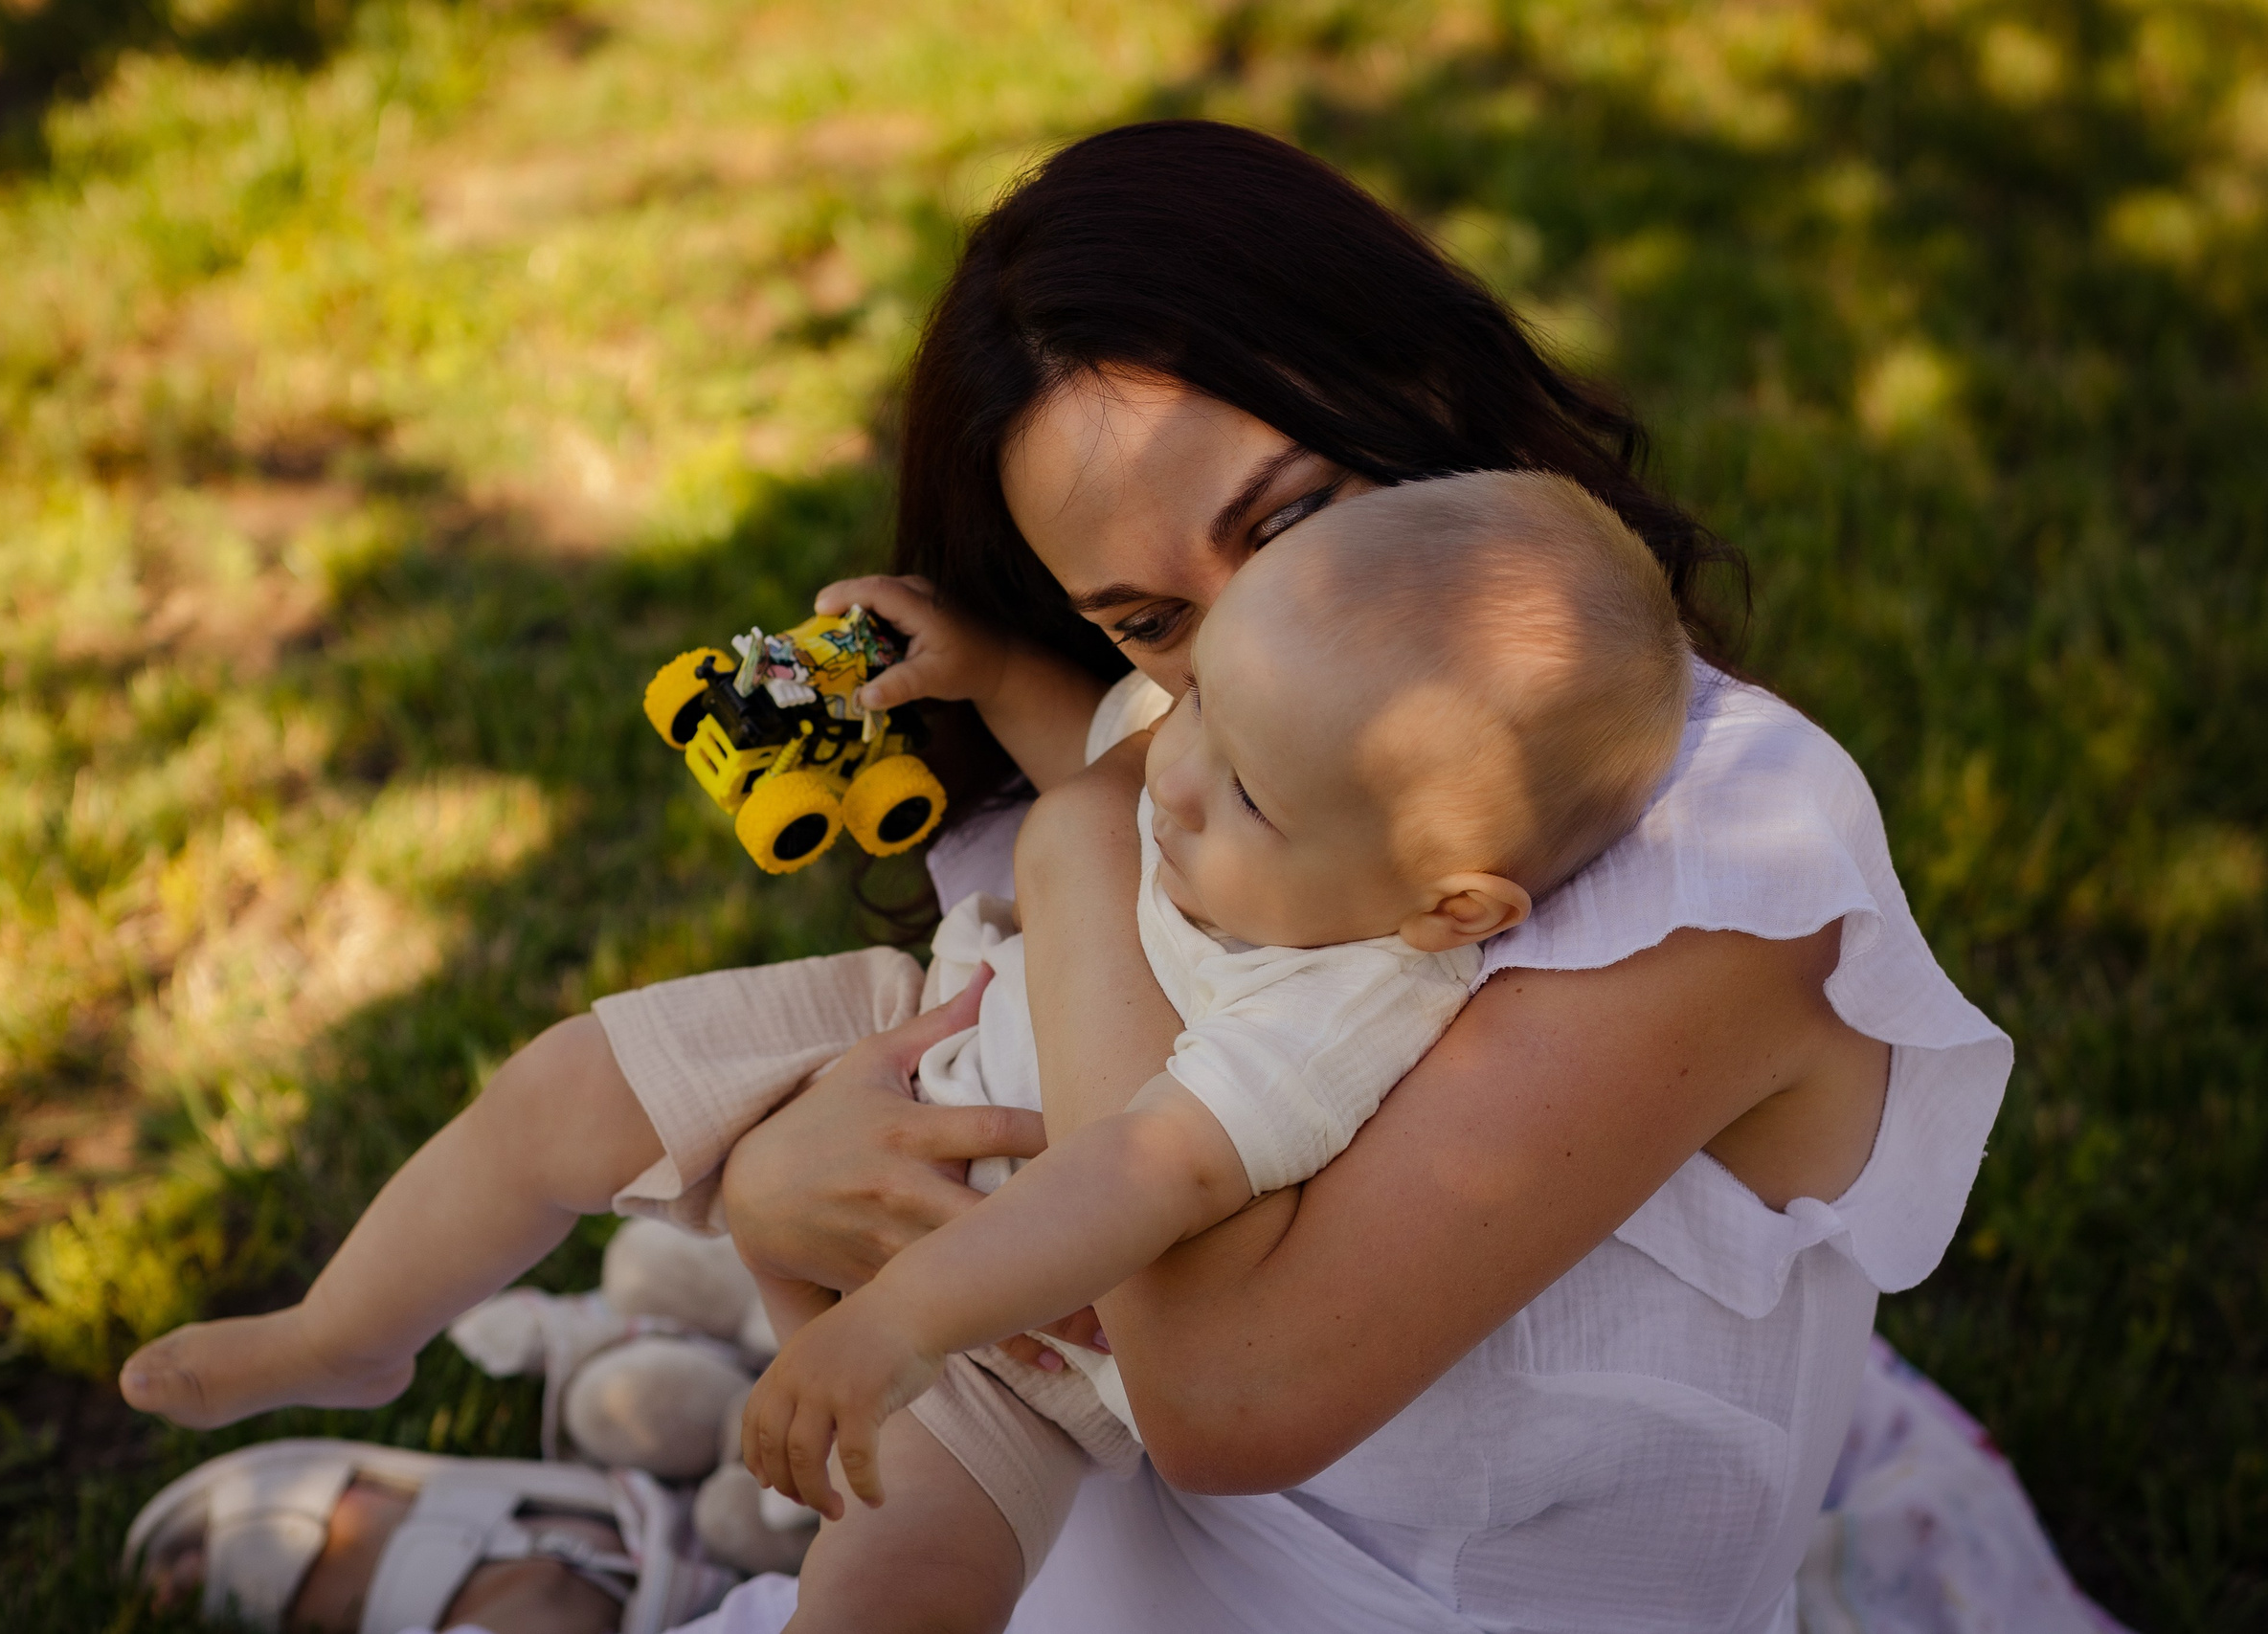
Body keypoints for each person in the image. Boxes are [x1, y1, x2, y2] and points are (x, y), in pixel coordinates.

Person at [121, 121, 2011, 1634]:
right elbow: (1029, 1040)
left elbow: (1223, 1392)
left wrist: (1084, 844)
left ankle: (630, 1551)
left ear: (1415, 384)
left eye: (1288, 519)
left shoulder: (1719, 866)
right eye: (1143, 618)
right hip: (1050, 1490)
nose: (1220, 661)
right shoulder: (1236, 763)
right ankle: (542, 1455)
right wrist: (778, 1187)